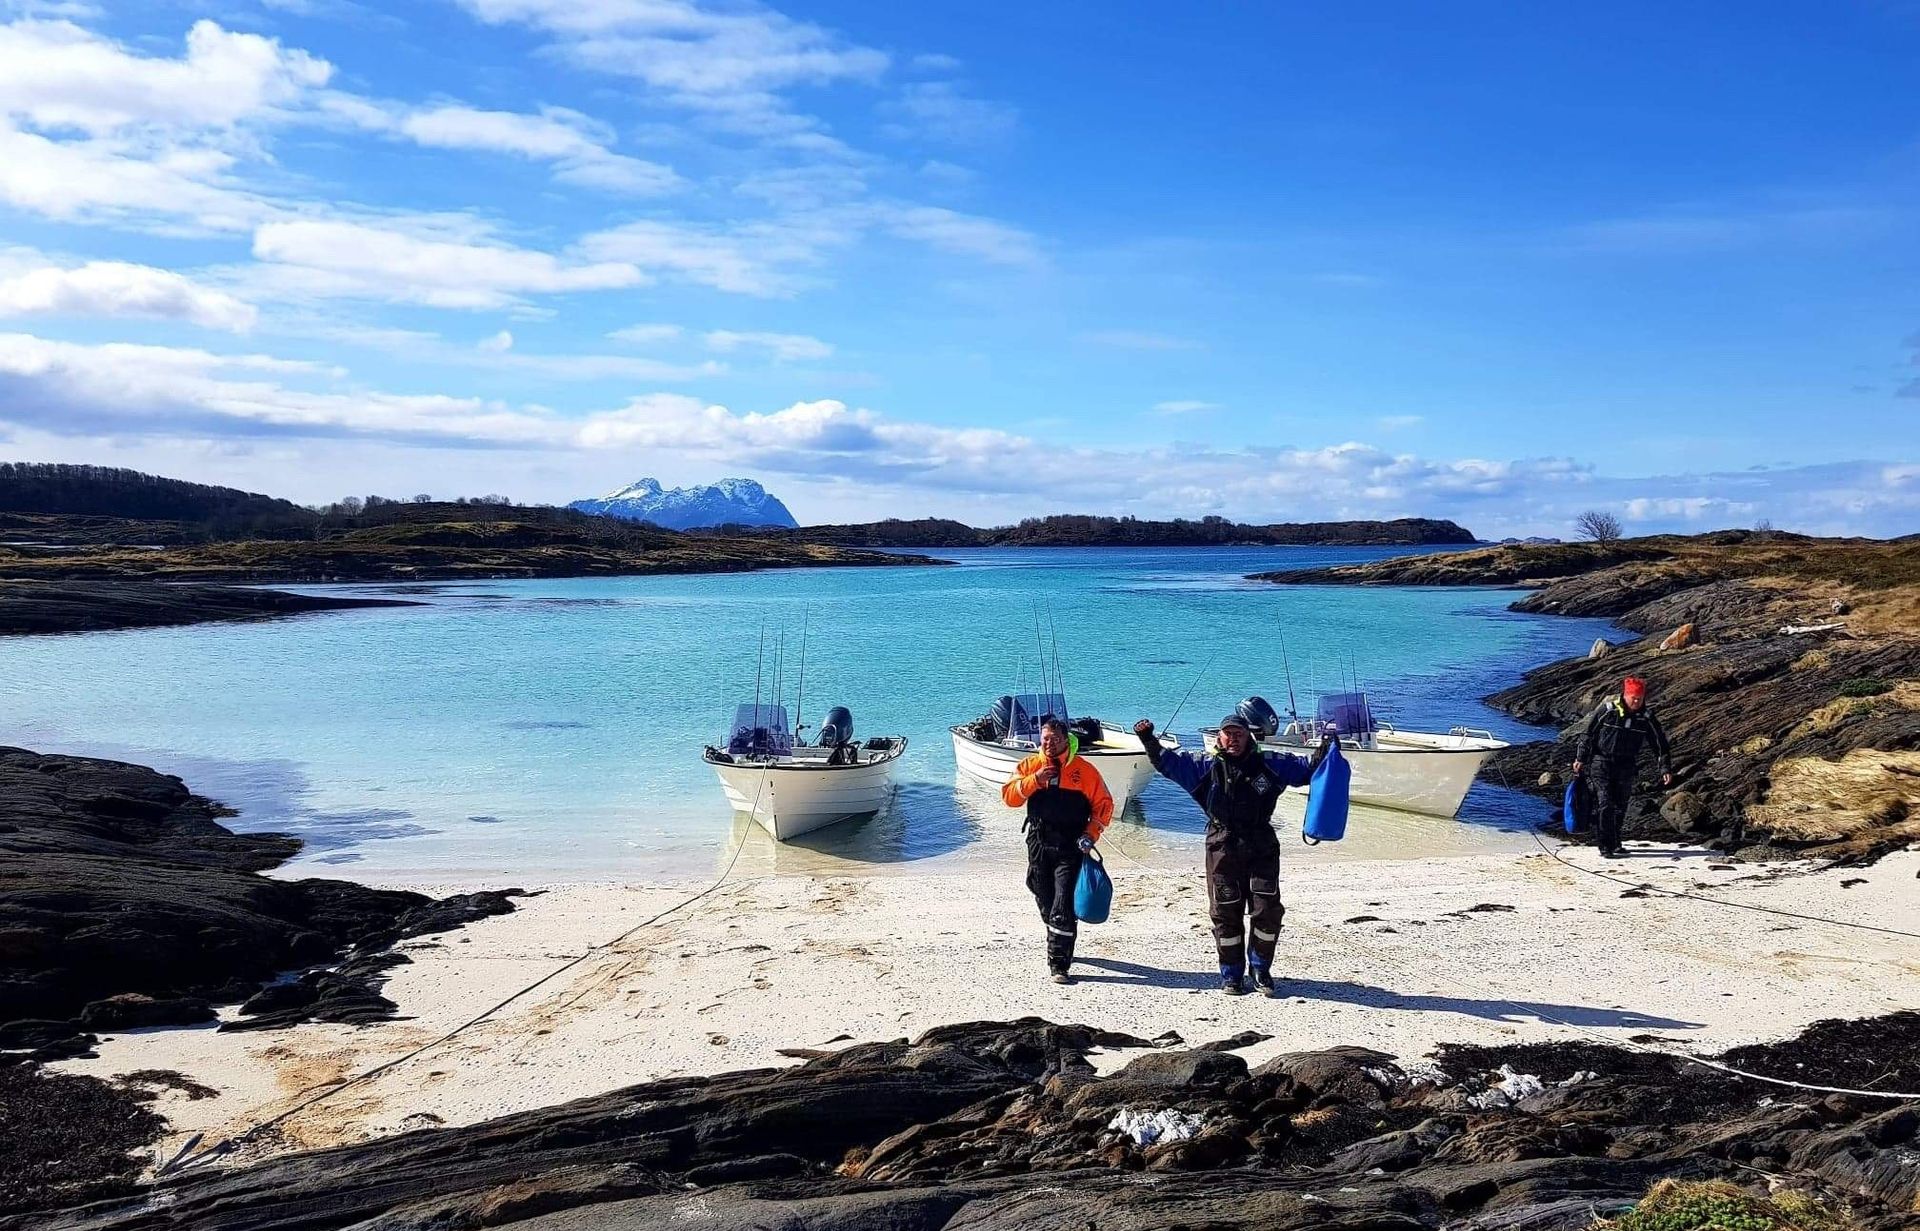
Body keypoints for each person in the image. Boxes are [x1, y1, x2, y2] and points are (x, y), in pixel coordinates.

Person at [1133, 713, 1333, 996]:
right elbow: (1166, 763)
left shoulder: (1271, 764)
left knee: (1267, 911)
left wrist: (1327, 744)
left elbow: (1308, 770)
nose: (1233, 739)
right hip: (1222, 847)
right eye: (1228, 734)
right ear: (1219, 739)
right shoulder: (1203, 767)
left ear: (1249, 736)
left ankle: (1261, 970)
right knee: (1226, 913)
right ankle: (1232, 975)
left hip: (1261, 845)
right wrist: (1147, 738)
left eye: (1238, 734)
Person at [1001, 716, 1114, 984]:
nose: (1049, 744)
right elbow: (1009, 797)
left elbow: (1104, 806)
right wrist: (1035, 780)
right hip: (1039, 842)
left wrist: (1091, 834)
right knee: (1041, 892)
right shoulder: (1030, 765)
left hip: (1071, 845)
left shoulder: (1084, 770)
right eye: (1045, 739)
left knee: (1062, 903)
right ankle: (1060, 930)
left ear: (1066, 740)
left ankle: (1059, 964)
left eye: (1054, 739)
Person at [1572, 676, 1673, 859]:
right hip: (1601, 762)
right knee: (1605, 802)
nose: (1636, 701)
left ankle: (1616, 842)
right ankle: (1605, 845)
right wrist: (1580, 758)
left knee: (1620, 805)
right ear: (1625, 696)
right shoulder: (1608, 710)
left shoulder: (1646, 718)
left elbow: (1659, 744)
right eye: (1633, 698)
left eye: (1639, 699)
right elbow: (1588, 733)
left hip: (1626, 766)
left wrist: (1664, 768)